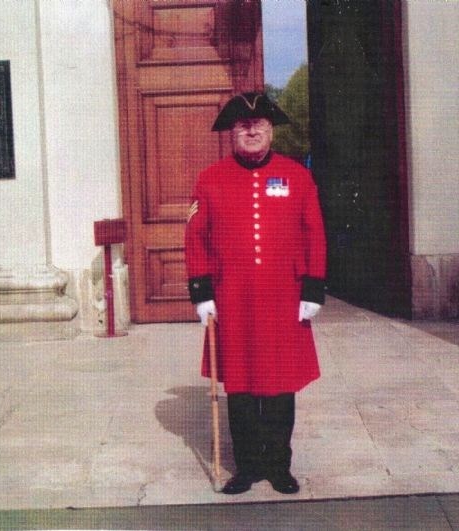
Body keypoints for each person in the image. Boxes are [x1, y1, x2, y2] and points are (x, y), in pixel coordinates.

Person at [185, 92, 327, 495]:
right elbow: (196, 238)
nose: (251, 131)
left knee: (281, 384)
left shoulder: (297, 176)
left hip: (285, 298)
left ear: (270, 130)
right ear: (233, 132)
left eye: (259, 125)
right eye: (244, 126)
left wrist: (313, 286)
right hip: (233, 300)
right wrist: (202, 292)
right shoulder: (210, 179)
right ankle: (247, 466)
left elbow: (314, 233)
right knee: (241, 386)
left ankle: (278, 465)